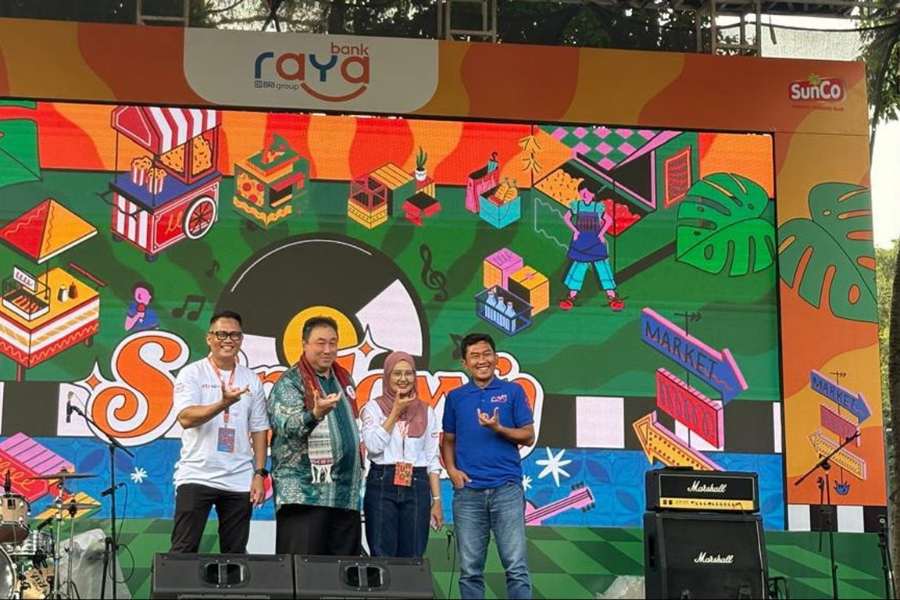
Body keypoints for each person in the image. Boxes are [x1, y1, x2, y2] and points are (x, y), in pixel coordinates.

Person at [441, 333, 534, 599]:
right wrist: (452, 471)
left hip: (507, 489)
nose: (482, 360)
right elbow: (448, 440)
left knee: (516, 567)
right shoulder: (456, 397)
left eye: (486, 354)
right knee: (470, 570)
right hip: (468, 493)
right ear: (464, 363)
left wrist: (499, 428)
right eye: (474, 356)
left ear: (496, 358)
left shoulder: (513, 391)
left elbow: (528, 436)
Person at [170, 310, 269, 554]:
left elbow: (259, 430)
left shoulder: (251, 379)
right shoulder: (192, 373)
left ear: (241, 340)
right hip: (197, 474)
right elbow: (185, 418)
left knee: (235, 554)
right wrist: (222, 404)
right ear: (209, 338)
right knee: (183, 550)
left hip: (238, 478)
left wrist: (259, 473)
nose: (228, 340)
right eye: (221, 334)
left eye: (234, 335)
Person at [267, 316, 363, 555]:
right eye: (320, 343)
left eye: (333, 343)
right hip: (304, 495)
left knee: (342, 573)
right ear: (304, 344)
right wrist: (315, 414)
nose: (328, 349)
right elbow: (287, 426)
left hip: (344, 495)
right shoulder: (290, 382)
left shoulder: (343, 379)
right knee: (304, 571)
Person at [360, 351, 443, 558]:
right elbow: (374, 446)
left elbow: (432, 458)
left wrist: (437, 500)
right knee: (382, 555)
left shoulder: (426, 410)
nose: (403, 379)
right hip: (382, 480)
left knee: (413, 555)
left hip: (417, 482)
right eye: (397, 373)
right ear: (387, 376)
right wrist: (395, 412)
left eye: (409, 373)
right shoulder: (373, 408)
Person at [558, 181, 625, 312]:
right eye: (582, 192)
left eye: (588, 192)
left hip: (595, 240)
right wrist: (575, 231)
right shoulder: (577, 205)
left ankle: (612, 296)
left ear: (593, 194)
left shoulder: (597, 207)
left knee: (602, 266)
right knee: (579, 266)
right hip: (581, 240)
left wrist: (601, 234)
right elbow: (566, 218)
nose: (584, 194)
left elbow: (609, 220)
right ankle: (571, 296)